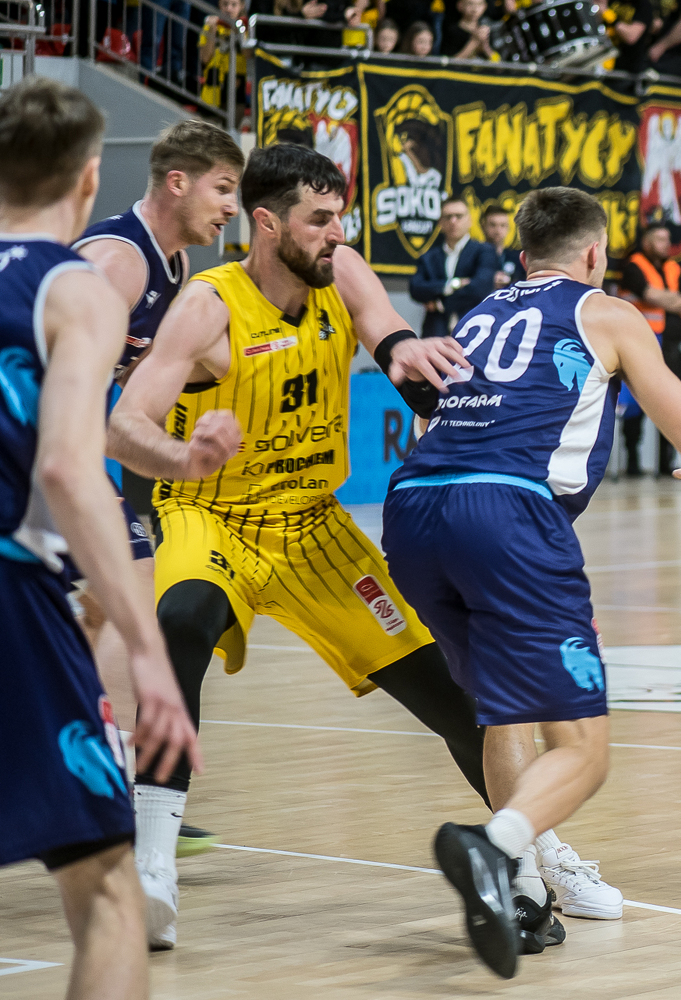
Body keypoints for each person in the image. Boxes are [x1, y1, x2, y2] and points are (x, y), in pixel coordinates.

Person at [106, 143, 614, 951]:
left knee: (457, 701)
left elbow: (394, 342)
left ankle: (528, 864)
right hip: (213, 514)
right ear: (267, 224)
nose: (337, 233)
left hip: (312, 527)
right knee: (182, 624)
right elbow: (124, 424)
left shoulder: (342, 272)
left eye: (340, 216)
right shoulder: (209, 305)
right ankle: (151, 870)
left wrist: (411, 359)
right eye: (320, 220)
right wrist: (182, 455)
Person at [382, 187, 681, 979]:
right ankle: (494, 847)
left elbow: (435, 417)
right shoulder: (607, 313)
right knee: (584, 750)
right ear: (595, 254)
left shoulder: (480, 312)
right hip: (507, 514)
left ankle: (521, 891)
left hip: (412, 511)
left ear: (521, 255)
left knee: (503, 708)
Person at [0, 76, 200, 1000]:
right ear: (89, 179)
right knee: (110, 889)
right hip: (13, 588)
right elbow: (68, 468)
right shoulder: (76, 286)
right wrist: (147, 653)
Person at [74, 119, 243, 860]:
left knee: (112, 607)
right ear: (178, 182)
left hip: (62, 449)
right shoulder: (117, 260)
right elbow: (46, 370)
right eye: (223, 188)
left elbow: (187, 367)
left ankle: (107, 786)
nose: (232, 206)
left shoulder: (173, 268)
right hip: (34, 449)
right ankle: (108, 790)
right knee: (122, 600)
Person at [618, 219, 681, 475]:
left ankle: (665, 464)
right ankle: (632, 461)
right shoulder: (634, 266)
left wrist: (662, 298)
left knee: (671, 405)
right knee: (636, 403)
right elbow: (647, 295)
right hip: (641, 346)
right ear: (647, 242)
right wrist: (671, 299)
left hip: (670, 346)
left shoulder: (673, 267)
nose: (666, 244)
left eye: (667, 239)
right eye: (660, 239)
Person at [411, 197, 498, 338]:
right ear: (440, 222)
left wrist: (440, 304)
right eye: (448, 217)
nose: (453, 221)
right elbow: (416, 288)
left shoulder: (484, 251)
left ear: (469, 220)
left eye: (459, 216)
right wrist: (452, 285)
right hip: (435, 332)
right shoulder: (428, 257)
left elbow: (480, 288)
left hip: (474, 331)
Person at [197, 0, 247, 113]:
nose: (229, 9)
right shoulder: (210, 26)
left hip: (237, 83)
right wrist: (212, 30)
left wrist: (240, 33)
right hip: (213, 84)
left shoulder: (246, 28)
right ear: (219, 4)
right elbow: (204, 58)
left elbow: (249, 59)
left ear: (241, 6)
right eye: (225, 4)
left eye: (233, 5)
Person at [482, 204, 526, 289]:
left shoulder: (517, 257)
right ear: (484, 226)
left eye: (502, 225)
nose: (498, 230)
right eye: (493, 225)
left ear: (508, 228)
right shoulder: (474, 256)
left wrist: (510, 281)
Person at [607, 0, 653, 74]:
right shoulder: (613, 2)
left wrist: (612, 20)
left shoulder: (643, 5)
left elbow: (631, 37)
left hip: (629, 66)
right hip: (607, 57)